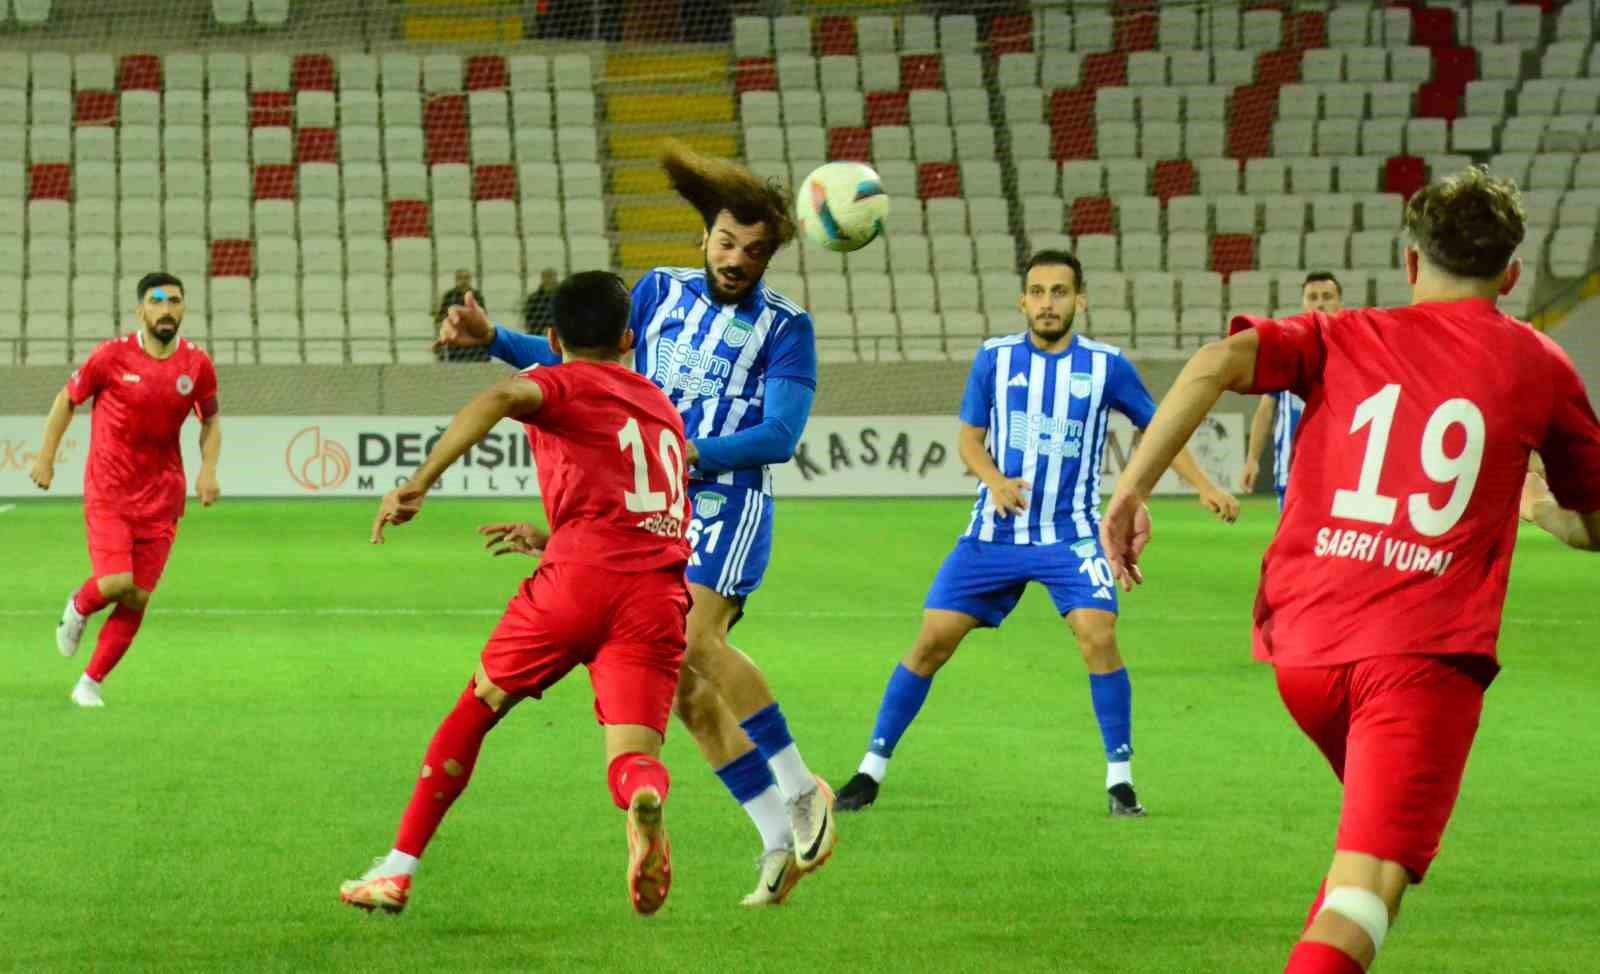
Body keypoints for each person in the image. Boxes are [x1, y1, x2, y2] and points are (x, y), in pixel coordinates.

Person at [1100, 167, 1600, 974]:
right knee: (1368, 892)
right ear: (1511, 275)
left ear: (1411, 264)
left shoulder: (1340, 333)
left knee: (1355, 866)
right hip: (1417, 659)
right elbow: (1597, 520)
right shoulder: (1539, 366)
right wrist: (1541, 510)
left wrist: (1129, 491)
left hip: (1304, 651)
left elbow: (1214, 362)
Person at [432, 140, 834, 906]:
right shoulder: (656, 292)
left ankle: (802, 788)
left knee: (694, 643)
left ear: (770, 256)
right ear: (703, 238)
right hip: (659, 507)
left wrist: (687, 453)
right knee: (680, 692)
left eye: (752, 250)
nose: (735, 258)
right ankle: (776, 839)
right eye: (724, 241)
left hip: (727, 500)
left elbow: (780, 437)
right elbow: (582, 362)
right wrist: (494, 344)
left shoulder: (786, 328)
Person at [831, 249, 1240, 816]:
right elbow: (969, 440)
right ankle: (869, 771)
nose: (1048, 303)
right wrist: (994, 479)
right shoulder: (993, 359)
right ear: (1023, 300)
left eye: (1060, 292)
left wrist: (1201, 484)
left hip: (1070, 535)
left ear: (1080, 300)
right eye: (1039, 292)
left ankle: (1120, 781)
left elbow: (1159, 427)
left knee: (1098, 635)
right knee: (930, 643)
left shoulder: (1107, 366)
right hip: (993, 533)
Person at [339, 271, 690, 917]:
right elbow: (638, 500)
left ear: (554, 337)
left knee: (474, 712)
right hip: (657, 595)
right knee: (634, 756)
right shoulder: (661, 407)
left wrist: (420, 482)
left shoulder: (556, 382)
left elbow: (500, 396)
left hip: (577, 585)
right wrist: (555, 533)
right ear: (629, 338)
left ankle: (396, 870)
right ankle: (644, 798)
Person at [28, 272, 221, 707]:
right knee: (115, 582)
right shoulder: (110, 356)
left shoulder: (197, 365)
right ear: (141, 311)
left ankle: (89, 683)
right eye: (157, 301)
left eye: (174, 301)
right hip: (110, 491)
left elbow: (210, 420)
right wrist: (45, 456)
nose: (167, 309)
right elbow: (66, 400)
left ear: (183, 308)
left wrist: (208, 470)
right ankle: (79, 605)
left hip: (162, 498)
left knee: (137, 595)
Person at [1242, 272, 1344, 507]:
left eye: (1327, 296)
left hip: (1341, 473)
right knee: (1292, 544)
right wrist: (1253, 459)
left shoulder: (1355, 351)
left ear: (1339, 303)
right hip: (1292, 472)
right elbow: (1266, 410)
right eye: (1312, 297)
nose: (1320, 303)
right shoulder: (1284, 349)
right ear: (1303, 304)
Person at [435, 270, 487, 363]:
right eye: (461, 278)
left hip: (474, 340)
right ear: (456, 280)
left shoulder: (476, 296)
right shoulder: (449, 296)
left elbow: (483, 316)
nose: (464, 281)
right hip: (456, 341)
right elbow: (441, 317)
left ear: (470, 280)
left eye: (466, 278)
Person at [524, 268, 558, 334]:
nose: (548, 279)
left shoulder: (562, 296)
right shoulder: (534, 298)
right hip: (538, 333)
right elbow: (529, 319)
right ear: (542, 278)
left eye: (550, 276)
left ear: (555, 278)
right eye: (546, 277)